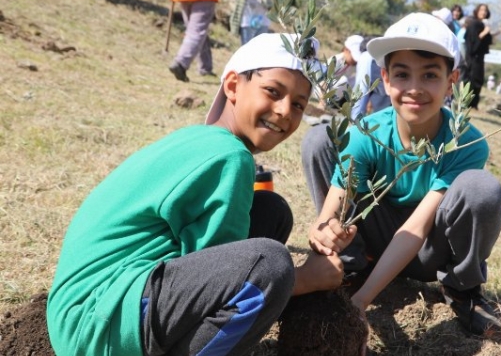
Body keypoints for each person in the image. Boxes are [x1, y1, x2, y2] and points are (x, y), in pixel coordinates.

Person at [46, 33, 344, 356]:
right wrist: (306, 279)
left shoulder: (203, 140)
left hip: (83, 311)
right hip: (99, 325)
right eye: (273, 91)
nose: (285, 110)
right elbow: (235, 282)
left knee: (271, 212)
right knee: (272, 267)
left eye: (299, 104)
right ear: (232, 86)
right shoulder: (230, 158)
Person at [301, 12, 501, 340]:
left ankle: (461, 289)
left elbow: (416, 227)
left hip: (427, 251)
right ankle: (349, 264)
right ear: (384, 79)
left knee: (481, 189)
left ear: (451, 81)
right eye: (402, 74)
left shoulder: (465, 142)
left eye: (429, 75)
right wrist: (322, 233)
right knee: (321, 138)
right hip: (372, 237)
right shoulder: (368, 133)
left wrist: (360, 303)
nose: (414, 89)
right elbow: (331, 210)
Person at [350, 35, 390, 120]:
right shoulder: (384, 56)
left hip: (383, 101)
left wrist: (355, 118)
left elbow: (361, 87)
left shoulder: (366, 56)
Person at [463, 3, 493, 109]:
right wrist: (485, 32)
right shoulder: (474, 24)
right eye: (481, 10)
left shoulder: (482, 24)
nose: (483, 12)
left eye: (485, 10)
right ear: (477, 11)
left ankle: (474, 104)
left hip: (480, 58)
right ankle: (468, 104)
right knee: (472, 80)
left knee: (479, 80)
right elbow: (473, 42)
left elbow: (487, 41)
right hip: (473, 58)